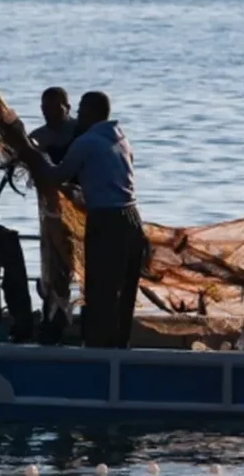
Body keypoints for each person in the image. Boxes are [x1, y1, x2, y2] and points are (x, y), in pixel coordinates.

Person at [18, 91, 151, 348]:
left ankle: (98, 351)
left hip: (107, 220)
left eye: (81, 109)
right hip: (134, 220)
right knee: (124, 293)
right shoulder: (122, 140)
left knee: (99, 291)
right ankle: (120, 349)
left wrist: (31, 155)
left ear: (92, 112)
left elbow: (55, 177)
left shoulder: (86, 142)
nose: (78, 115)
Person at [27, 87, 79, 343]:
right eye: (44, 108)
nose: (48, 113)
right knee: (55, 267)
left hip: (82, 210)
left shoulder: (81, 133)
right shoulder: (38, 137)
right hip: (51, 214)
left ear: (67, 107)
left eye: (54, 107)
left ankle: (81, 318)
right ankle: (55, 317)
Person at [29, 87, 78, 164]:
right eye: (47, 108)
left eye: (57, 108)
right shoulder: (37, 137)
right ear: (42, 109)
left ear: (68, 108)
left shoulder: (81, 128)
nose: (52, 112)